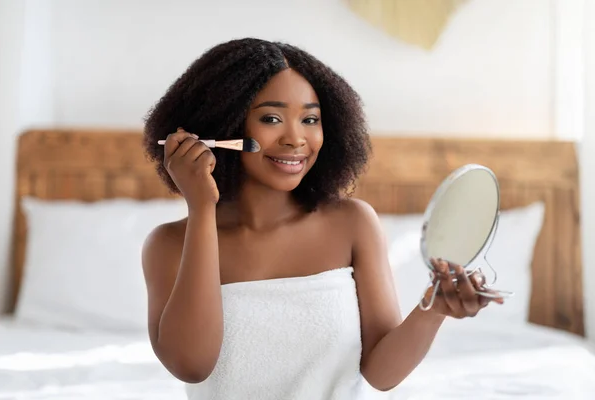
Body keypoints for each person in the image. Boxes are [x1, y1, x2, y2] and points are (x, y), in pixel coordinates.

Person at [141, 38, 502, 399]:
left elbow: (381, 374)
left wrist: (433, 308)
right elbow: (191, 364)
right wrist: (201, 207)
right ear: (221, 125)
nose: (296, 138)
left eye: (310, 119)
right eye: (271, 118)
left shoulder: (352, 224)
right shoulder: (169, 244)